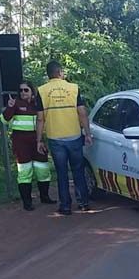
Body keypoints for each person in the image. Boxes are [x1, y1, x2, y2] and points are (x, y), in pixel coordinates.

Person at [35, 61, 93, 216]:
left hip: (55, 138)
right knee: (78, 170)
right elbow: (82, 112)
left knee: (61, 173)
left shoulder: (41, 91)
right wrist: (87, 133)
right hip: (74, 136)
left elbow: (40, 119)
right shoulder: (73, 88)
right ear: (60, 72)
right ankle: (83, 203)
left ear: (48, 74)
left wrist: (38, 140)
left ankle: (65, 206)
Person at [2, 81, 56, 211]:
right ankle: (27, 202)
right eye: (20, 90)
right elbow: (4, 120)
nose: (23, 93)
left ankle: (45, 197)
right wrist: (9, 107)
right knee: (25, 172)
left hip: (38, 141)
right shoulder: (15, 103)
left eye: (26, 90)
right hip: (21, 144)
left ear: (32, 91)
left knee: (43, 169)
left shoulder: (38, 104)